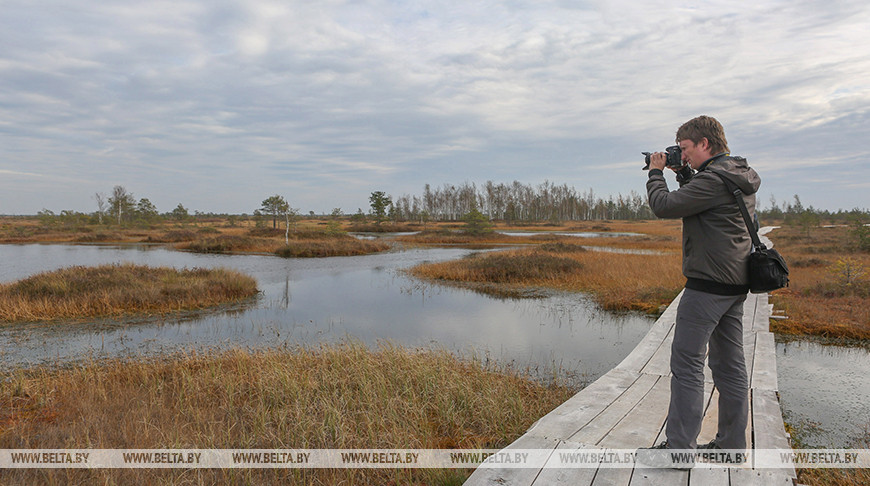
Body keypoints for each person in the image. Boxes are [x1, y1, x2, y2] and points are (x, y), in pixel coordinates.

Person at [637, 115, 761, 469]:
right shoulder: (733, 174)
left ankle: (679, 450)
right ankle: (732, 445)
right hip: (734, 284)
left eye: (687, 149)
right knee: (729, 364)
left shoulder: (714, 180)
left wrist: (656, 172)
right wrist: (685, 174)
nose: (683, 155)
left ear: (705, 144)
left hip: (707, 287)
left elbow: (665, 206)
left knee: (687, 364)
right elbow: (707, 201)